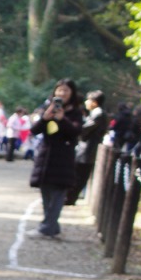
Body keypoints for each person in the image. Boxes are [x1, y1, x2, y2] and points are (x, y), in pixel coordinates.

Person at [28, 78, 84, 238]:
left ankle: (47, 227)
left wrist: (62, 119)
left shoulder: (75, 112)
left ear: (72, 93)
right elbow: (34, 130)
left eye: (66, 90)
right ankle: (51, 226)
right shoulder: (47, 108)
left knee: (58, 193)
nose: (62, 93)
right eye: (60, 90)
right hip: (46, 157)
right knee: (45, 192)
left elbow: (76, 132)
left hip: (64, 158)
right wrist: (45, 118)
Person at [67, 90, 104, 206]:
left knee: (80, 175)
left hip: (87, 149)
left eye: (89, 100)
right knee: (79, 174)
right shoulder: (95, 113)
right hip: (86, 148)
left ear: (94, 102)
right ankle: (70, 197)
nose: (86, 102)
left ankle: (70, 198)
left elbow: (84, 130)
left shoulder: (98, 113)